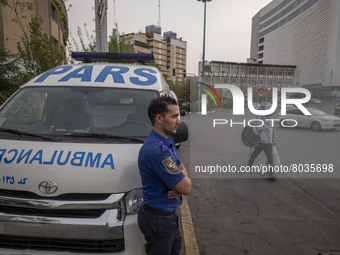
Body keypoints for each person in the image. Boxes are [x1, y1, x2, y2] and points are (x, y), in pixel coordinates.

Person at [137, 96, 191, 255]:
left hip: (166, 217)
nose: (179, 121)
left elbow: (181, 167)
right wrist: (181, 185)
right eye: (174, 116)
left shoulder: (166, 141)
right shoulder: (157, 151)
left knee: (175, 249)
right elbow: (187, 187)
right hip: (159, 220)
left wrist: (180, 186)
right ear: (159, 119)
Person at [247, 103, 277, 180]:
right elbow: (259, 128)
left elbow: (273, 130)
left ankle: (270, 175)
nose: (271, 113)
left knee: (270, 159)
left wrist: (274, 139)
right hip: (260, 142)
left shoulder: (272, 119)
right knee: (254, 155)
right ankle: (249, 164)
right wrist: (268, 123)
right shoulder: (260, 118)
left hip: (268, 143)